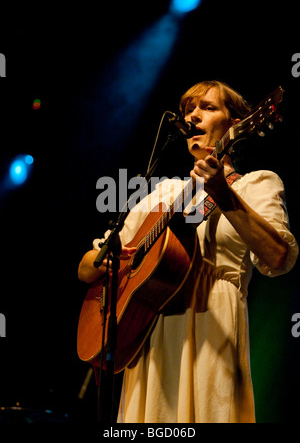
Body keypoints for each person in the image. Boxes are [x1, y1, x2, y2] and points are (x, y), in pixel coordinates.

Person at [78, 80, 298, 423]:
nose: (193, 116)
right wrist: (108, 261)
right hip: (150, 332)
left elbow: (278, 258)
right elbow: (87, 268)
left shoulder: (258, 184)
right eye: (188, 110)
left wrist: (225, 196)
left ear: (236, 123)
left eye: (208, 108)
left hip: (212, 327)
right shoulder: (162, 194)